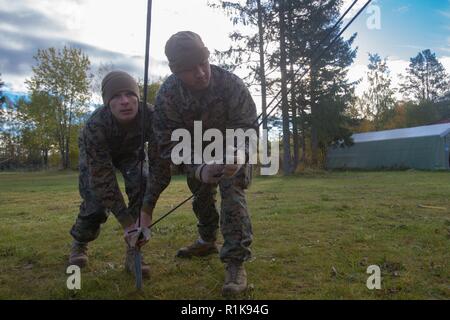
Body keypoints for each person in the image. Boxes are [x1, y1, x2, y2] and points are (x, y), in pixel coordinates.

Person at [152, 31, 257, 295]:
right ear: (176, 71)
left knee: (231, 186)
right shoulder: (167, 96)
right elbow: (168, 143)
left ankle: (235, 262)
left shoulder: (231, 84)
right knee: (200, 194)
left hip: (233, 149)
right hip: (196, 154)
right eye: (190, 69)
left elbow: (247, 128)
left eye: (203, 62)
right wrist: (199, 168)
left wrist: (238, 155)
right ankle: (207, 240)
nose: (200, 73)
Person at [68, 70, 170, 278]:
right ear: (107, 102)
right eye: (116, 96)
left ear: (137, 97)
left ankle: (134, 254)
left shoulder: (151, 116)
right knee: (95, 203)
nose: (125, 101)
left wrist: (146, 211)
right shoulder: (94, 126)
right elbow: (103, 178)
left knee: (141, 184)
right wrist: (126, 223)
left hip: (131, 154)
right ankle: (80, 242)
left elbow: (160, 165)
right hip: (98, 157)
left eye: (130, 94)